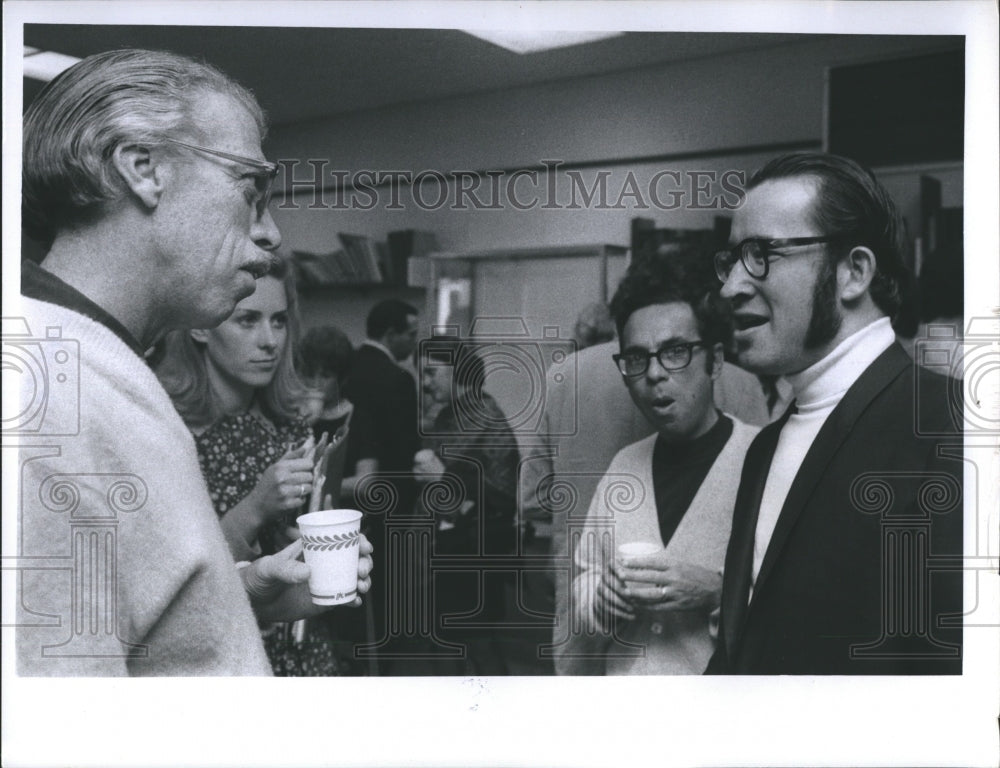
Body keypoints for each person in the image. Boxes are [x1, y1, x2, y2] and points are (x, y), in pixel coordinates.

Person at [15, 49, 365, 675]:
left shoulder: (100, 369)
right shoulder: (43, 397)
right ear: (143, 169)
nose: (271, 234)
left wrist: (247, 590)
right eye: (250, 189)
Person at [707, 152, 963, 675]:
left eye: (761, 254)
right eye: (731, 260)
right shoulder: (765, 446)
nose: (731, 286)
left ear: (854, 272)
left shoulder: (952, 428)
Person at [520, 250, 777, 674]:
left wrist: (717, 592)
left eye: (675, 351)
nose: (654, 374)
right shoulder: (625, 466)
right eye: (637, 359)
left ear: (714, 361)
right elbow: (585, 575)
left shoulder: (762, 462)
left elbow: (798, 602)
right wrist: (598, 596)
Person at [157, 256, 373, 675]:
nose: (269, 340)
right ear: (201, 325)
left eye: (279, 321)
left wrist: (325, 553)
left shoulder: (291, 429)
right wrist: (257, 507)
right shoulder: (169, 430)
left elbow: (297, 566)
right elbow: (173, 584)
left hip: (299, 648)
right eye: (248, 320)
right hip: (211, 660)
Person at [412, 339, 521, 674]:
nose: (425, 383)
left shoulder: (487, 417)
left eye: (431, 373)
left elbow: (502, 495)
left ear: (457, 372)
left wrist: (442, 476)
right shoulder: (449, 414)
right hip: (446, 547)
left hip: (476, 550)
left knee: (476, 642)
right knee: (446, 639)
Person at [340, 298, 421, 666]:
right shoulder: (399, 380)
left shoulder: (348, 368)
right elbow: (408, 450)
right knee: (389, 583)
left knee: (356, 586)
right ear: (390, 335)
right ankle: (387, 657)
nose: (414, 342)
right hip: (392, 499)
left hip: (349, 495)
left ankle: (361, 652)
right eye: (411, 334)